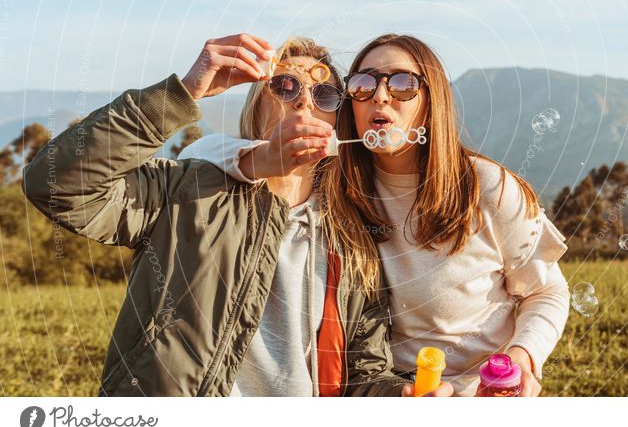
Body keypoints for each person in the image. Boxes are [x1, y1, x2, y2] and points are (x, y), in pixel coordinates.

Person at [23, 33, 448, 397]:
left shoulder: (354, 237)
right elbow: (56, 185)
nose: (304, 100)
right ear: (257, 107)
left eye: (324, 94)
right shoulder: (187, 193)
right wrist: (182, 93)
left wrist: (399, 395)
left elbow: (362, 373)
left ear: (336, 119)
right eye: (284, 85)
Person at [188, 33, 571, 397]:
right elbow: (200, 158)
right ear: (348, 108)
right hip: (388, 394)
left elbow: (547, 290)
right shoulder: (337, 194)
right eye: (363, 85)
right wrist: (258, 158)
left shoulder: (485, 187)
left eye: (403, 83)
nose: (381, 95)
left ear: (431, 101)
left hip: (480, 393)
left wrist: (521, 358)